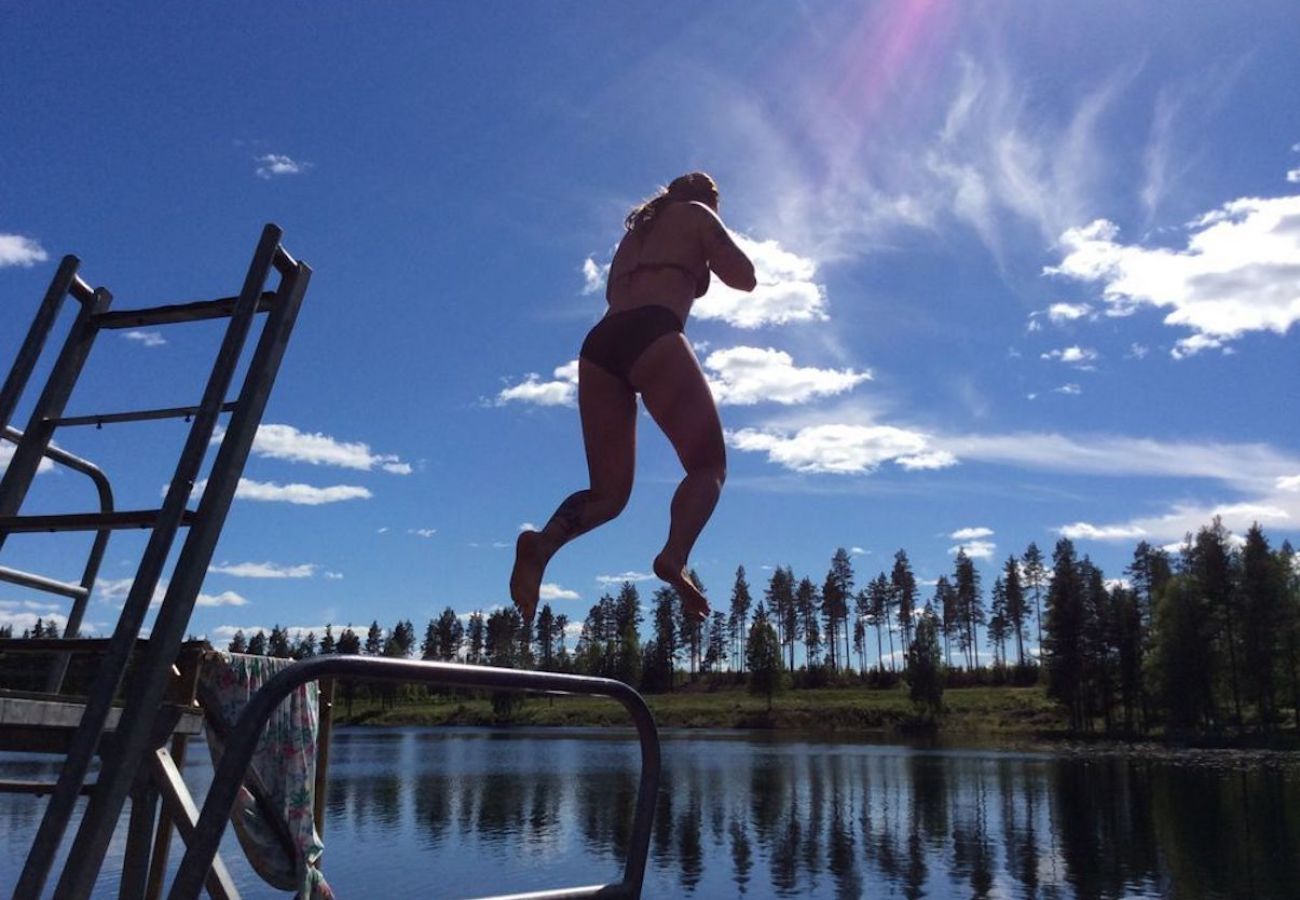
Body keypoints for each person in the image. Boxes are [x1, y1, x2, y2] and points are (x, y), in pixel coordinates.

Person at [511, 172, 757, 625]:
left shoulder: (635, 235)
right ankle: (673, 556)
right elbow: (744, 278)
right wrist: (712, 245)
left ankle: (542, 544)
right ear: (706, 199)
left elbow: (613, 294)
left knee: (608, 494)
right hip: (653, 332)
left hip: (600, 346)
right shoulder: (696, 215)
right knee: (708, 466)